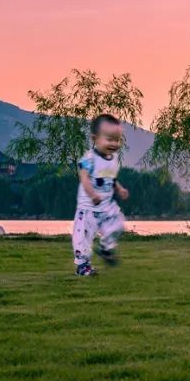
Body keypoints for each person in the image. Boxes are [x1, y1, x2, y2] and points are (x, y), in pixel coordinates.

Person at [72, 114, 129, 276]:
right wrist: (92, 195)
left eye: (117, 140)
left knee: (118, 223)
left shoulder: (114, 159)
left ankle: (106, 247)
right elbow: (84, 178)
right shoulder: (90, 158)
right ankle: (83, 265)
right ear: (95, 139)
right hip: (88, 207)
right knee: (83, 236)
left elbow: (111, 178)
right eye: (109, 139)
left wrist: (119, 189)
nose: (114, 144)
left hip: (106, 205)